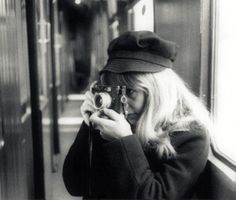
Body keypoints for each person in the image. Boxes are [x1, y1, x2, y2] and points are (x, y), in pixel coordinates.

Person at [63, 31, 211, 199]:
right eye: (116, 91)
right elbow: (75, 184)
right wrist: (89, 124)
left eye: (131, 91)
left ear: (158, 91)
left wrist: (124, 142)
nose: (122, 102)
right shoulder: (111, 120)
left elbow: (156, 196)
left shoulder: (191, 133)